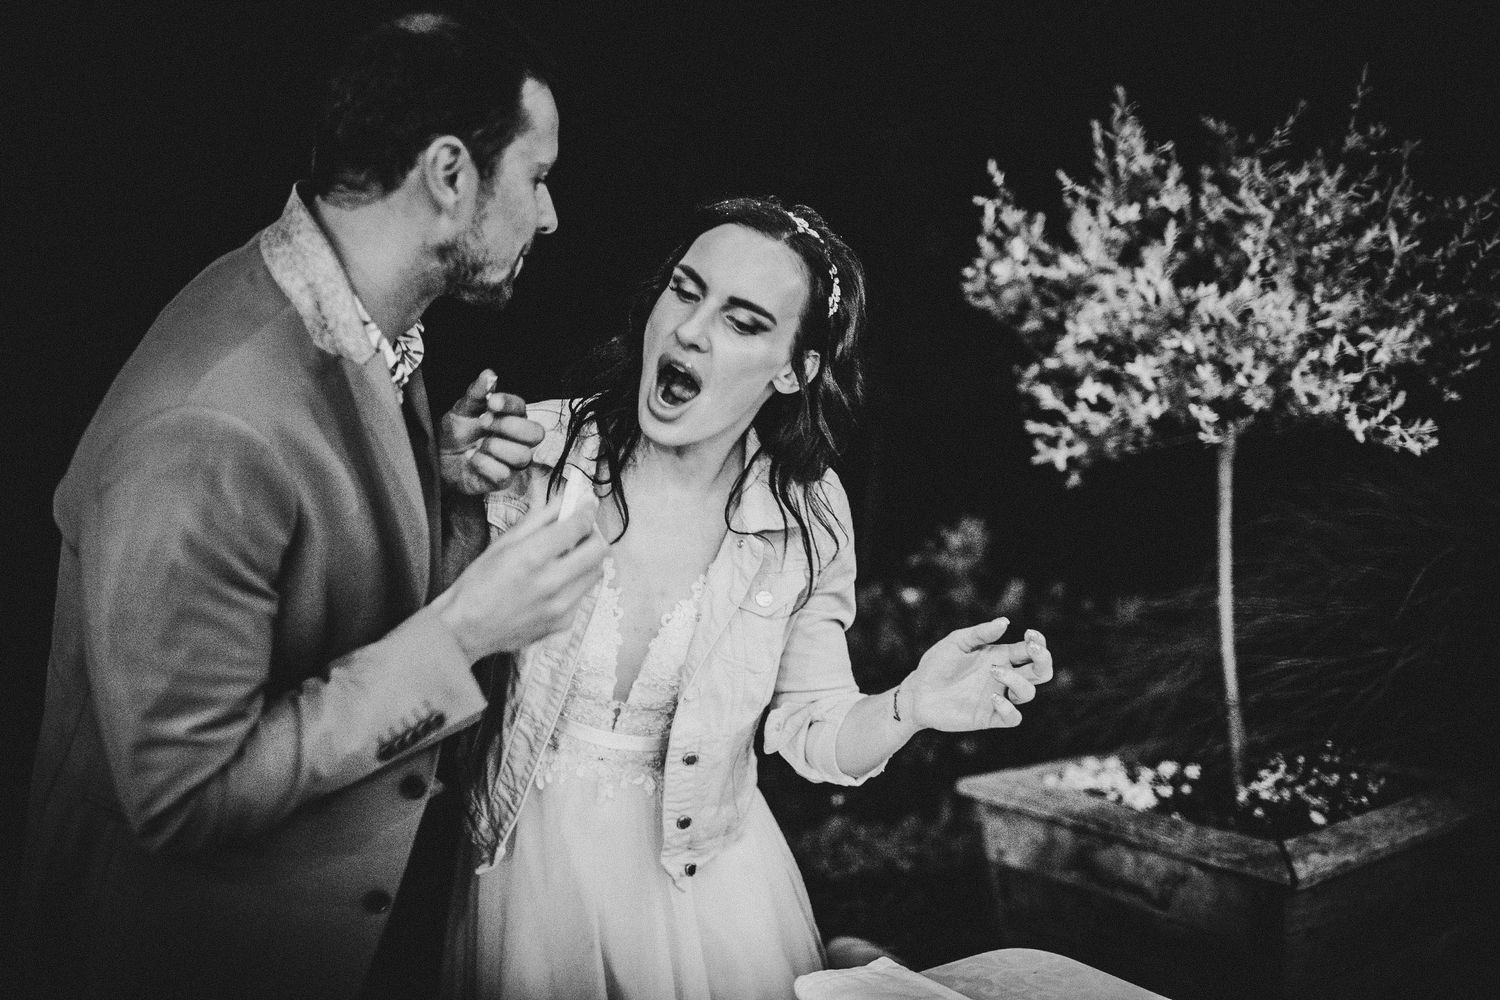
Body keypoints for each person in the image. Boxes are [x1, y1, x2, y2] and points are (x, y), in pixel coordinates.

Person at [18, 13, 608, 1000]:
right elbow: (181, 796)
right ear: (450, 174)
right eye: (536, 178)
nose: (549, 218)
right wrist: (464, 632)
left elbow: (325, 569)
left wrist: (446, 492)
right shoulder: (208, 423)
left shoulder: (355, 319)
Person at [442, 197, 1055, 999]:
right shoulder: (535, 451)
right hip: (519, 874)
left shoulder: (808, 515)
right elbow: (420, 639)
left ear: (794, 367)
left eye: (743, 321)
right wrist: (449, 495)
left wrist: (912, 704)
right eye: (685, 291)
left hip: (708, 893)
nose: (692, 330)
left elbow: (815, 729)